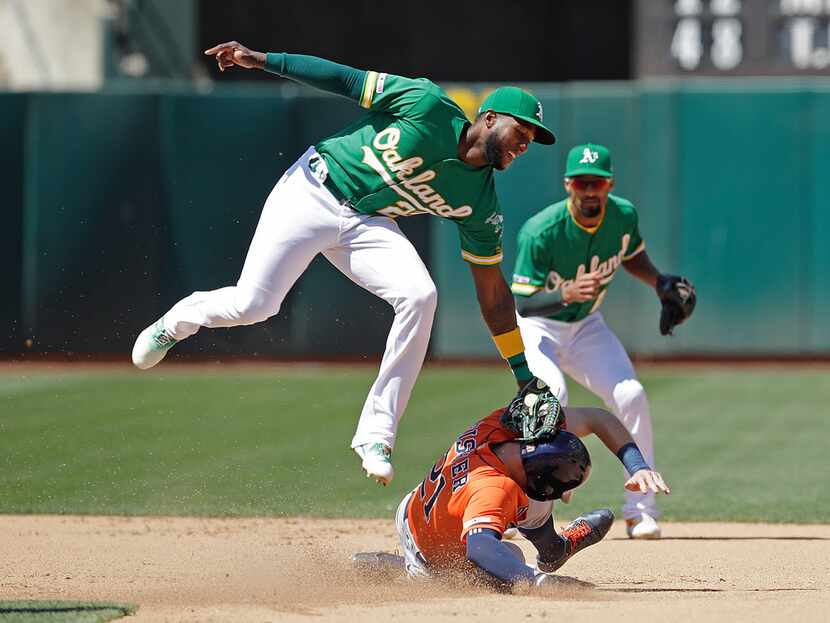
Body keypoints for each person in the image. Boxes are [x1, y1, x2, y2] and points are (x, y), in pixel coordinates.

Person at [130, 42, 558, 485]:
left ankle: (378, 433)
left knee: (420, 295)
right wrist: (261, 61)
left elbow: (493, 295)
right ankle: (179, 320)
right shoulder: (426, 104)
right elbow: (344, 79)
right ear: (489, 118)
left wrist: (523, 375)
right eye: (521, 129)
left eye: (533, 138)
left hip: (367, 222)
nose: (526, 142)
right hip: (313, 189)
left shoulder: (480, 203)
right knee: (254, 305)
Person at [510, 143, 695, 538]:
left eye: (597, 183)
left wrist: (658, 282)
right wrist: (565, 293)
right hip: (540, 327)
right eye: (582, 182)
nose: (590, 190)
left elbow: (632, 255)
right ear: (568, 185)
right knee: (551, 398)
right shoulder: (541, 231)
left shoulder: (623, 216)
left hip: (586, 325)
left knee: (631, 396)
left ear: (609, 184)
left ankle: (640, 510)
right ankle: (525, 509)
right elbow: (522, 304)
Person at [394, 387, 670, 589]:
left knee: (510, 549)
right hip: (441, 559)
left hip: (414, 508)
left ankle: (553, 550)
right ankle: (409, 567)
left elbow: (598, 418)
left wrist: (638, 466)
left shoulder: (501, 427)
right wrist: (537, 581)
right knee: (509, 563)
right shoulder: (496, 489)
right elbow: (480, 549)